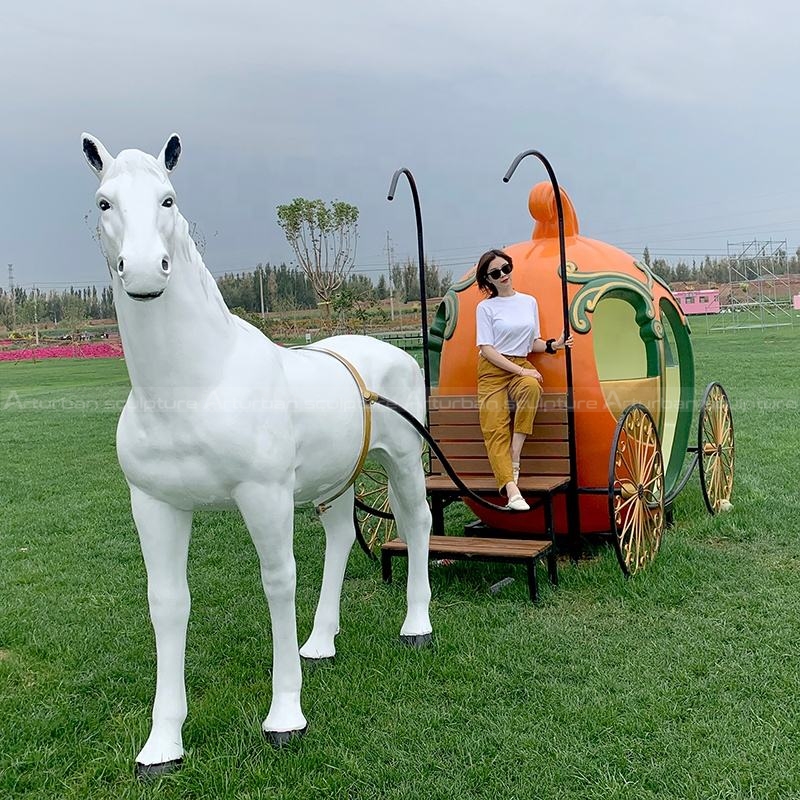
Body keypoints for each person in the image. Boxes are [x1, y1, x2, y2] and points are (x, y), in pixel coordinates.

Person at [475, 248, 573, 511]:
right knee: (494, 428)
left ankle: (515, 453)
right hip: (493, 369)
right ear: (488, 280)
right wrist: (521, 371)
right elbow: (487, 349)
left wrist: (555, 344)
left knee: (532, 387)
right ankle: (511, 489)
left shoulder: (528, 301)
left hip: (519, 362)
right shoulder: (485, 308)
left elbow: (531, 342)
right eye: (496, 273)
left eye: (506, 268)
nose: (503, 275)